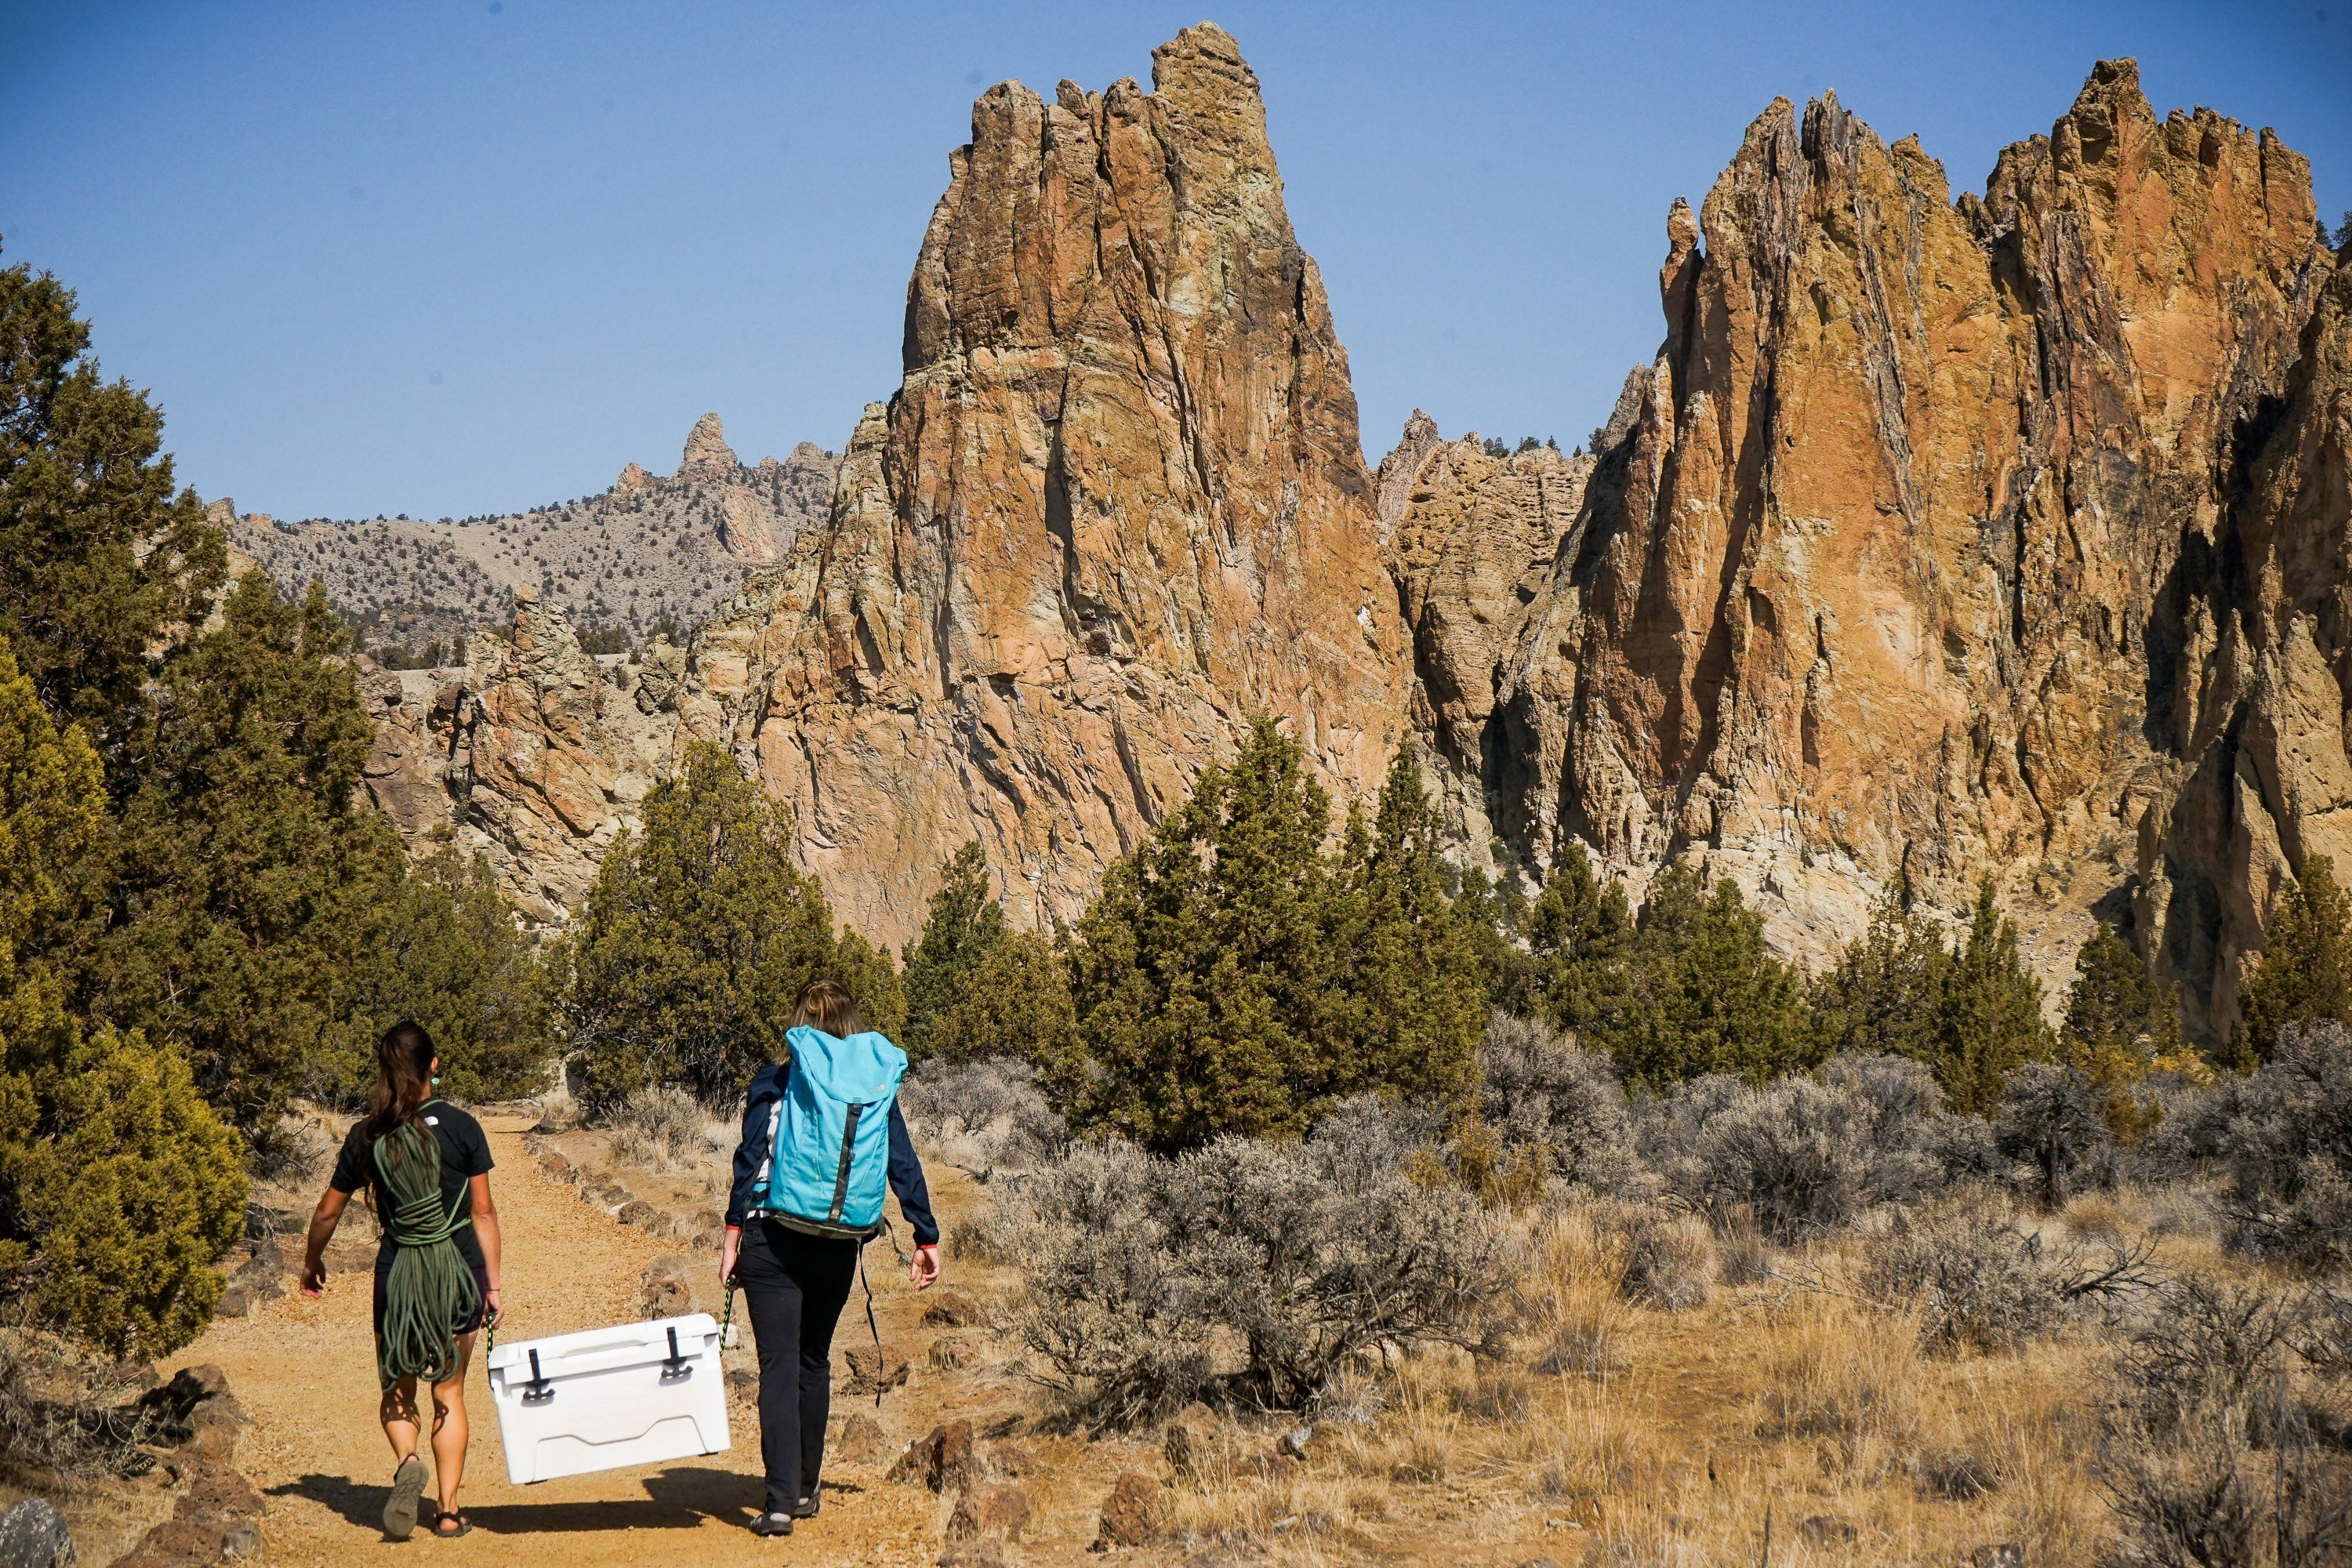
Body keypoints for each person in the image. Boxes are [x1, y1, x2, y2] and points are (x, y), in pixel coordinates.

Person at [724, 978, 941, 1538]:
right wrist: (925, 1234)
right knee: (813, 1361)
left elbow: (751, 1156)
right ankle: (805, 1489)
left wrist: (731, 1232)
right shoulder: (872, 1086)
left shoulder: (776, 1078)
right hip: (839, 1242)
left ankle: (775, 1505)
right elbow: (902, 1160)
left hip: (773, 1233)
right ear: (852, 1026)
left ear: (799, 1024)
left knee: (778, 1364)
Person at [299, 1021, 503, 1541]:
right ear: (434, 1064)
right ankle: (450, 1511)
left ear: (387, 1072)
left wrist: (312, 1261)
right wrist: (493, 1286)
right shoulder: (462, 1128)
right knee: (450, 1392)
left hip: (399, 1275)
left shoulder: (367, 1135)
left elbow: (327, 1211)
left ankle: (408, 1459)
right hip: (460, 1273)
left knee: (398, 1386)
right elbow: (482, 1213)